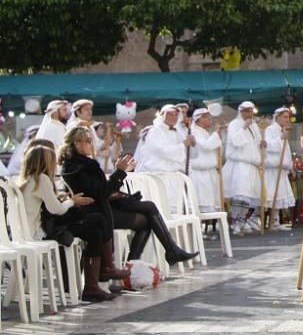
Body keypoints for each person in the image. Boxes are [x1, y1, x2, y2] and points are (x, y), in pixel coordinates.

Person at [59, 127, 199, 268]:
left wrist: (119, 174)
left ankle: (155, 256)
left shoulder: (80, 164)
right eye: (88, 141)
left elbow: (99, 189)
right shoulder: (78, 167)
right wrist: (119, 172)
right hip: (98, 212)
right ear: (76, 143)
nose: (92, 144)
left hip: (104, 206)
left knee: (148, 209)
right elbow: (101, 192)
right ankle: (140, 262)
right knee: (147, 217)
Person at [18, 139, 123, 302]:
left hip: (34, 230)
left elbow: (47, 204)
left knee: (95, 232)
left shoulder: (28, 179)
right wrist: (73, 201)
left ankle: (93, 285)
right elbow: (57, 210)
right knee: (98, 219)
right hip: (43, 232)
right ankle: (105, 269)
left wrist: (59, 198)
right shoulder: (42, 179)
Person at [224, 101, 266, 234]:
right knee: (241, 195)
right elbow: (235, 141)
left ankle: (243, 221)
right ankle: (236, 222)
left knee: (251, 196)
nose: (249, 114)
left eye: (250, 111)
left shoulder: (253, 126)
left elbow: (255, 144)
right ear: (240, 111)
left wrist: (262, 144)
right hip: (240, 164)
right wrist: (243, 127)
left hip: (252, 165)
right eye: (246, 111)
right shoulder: (234, 125)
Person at [263, 106, 296, 228]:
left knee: (279, 195)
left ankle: (275, 221)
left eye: (288, 117)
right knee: (272, 195)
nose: (287, 119)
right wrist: (280, 138)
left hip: (281, 167)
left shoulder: (283, 130)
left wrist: (290, 166)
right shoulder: (270, 130)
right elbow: (267, 146)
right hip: (273, 167)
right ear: (277, 117)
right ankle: (269, 221)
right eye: (285, 117)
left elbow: (286, 150)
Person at [188, 107, 224, 215]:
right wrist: (216, 133)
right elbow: (206, 146)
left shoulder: (205, 132)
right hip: (198, 173)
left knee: (208, 202)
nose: (210, 120)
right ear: (199, 119)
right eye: (207, 118)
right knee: (199, 203)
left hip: (208, 172)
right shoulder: (193, 132)